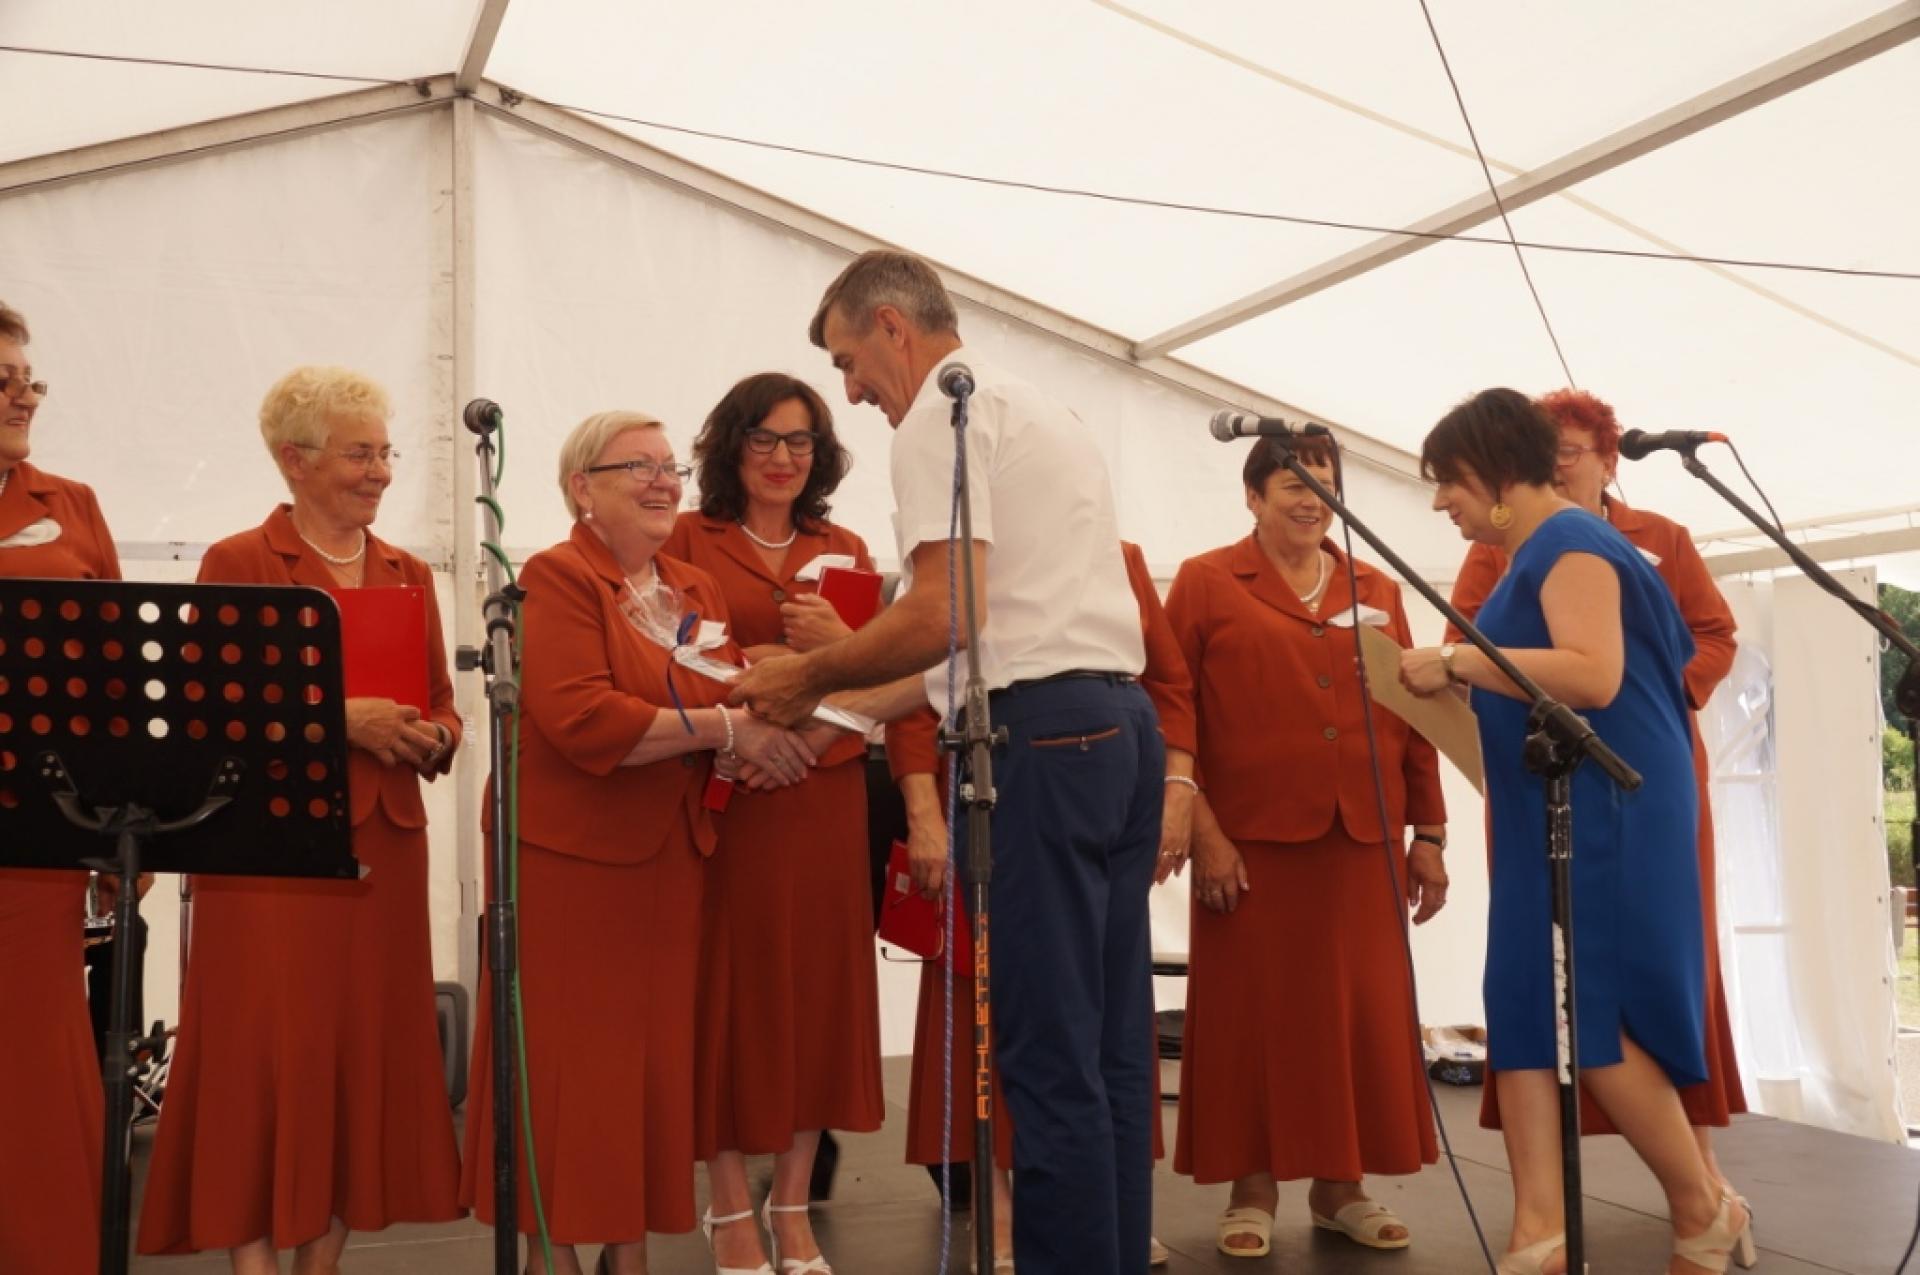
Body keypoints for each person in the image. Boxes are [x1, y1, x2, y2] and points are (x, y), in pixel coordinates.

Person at [732, 249, 1161, 1275]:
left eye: (848, 361)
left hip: (1041, 742)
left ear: (893, 325)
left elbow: (945, 614)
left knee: (1046, 1054)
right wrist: (827, 709)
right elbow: (981, 645)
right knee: (1109, 1050)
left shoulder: (942, 414)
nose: (851, 392)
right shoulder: (1042, 408)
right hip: (1114, 726)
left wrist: (807, 673)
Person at [1399, 388, 1752, 1274]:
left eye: (1449, 481)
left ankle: (1703, 1204)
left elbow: (1594, 674)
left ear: (1497, 475)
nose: (1440, 501)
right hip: (1545, 806)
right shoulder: (1532, 550)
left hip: (1604, 810)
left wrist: (1456, 658)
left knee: (1580, 1009)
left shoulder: (1571, 542)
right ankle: (1540, 1232)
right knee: (1522, 999)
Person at [459, 410, 816, 1275]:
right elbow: (583, 716)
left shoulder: (692, 586)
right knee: (563, 1071)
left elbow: (728, 695)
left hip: (668, 864)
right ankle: (550, 1255)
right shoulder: (556, 576)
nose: (663, 481)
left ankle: (629, 1256)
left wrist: (766, 723)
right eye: (639, 467)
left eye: (670, 468)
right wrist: (728, 730)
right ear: (582, 488)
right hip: (569, 865)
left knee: (643, 1075)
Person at [137, 366, 464, 1272]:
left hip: (384, 849)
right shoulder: (240, 561)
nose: (381, 471)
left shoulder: (406, 571)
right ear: (295, 460)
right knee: (257, 1059)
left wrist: (435, 734)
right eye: (360, 453)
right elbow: (206, 717)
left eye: (385, 453)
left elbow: (442, 700)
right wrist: (339, 721)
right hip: (265, 854)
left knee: (357, 1058)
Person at [1166, 435, 1447, 1257]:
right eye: (1290, 481)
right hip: (1248, 843)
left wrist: (1429, 832)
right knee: (1254, 1019)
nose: (1309, 496)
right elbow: (1171, 708)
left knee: (1353, 1019)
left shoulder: (1377, 586)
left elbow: (1417, 715)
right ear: (1252, 496)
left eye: (1323, 482)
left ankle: (1340, 1186)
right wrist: (1203, 829)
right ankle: (1250, 1187)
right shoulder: (1207, 580)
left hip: (1362, 839)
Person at [893, 540, 1194, 1269]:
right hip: (1069, 752)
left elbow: (1172, 682)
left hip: (1042, 755)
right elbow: (917, 701)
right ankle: (1066, 1223)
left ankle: (1084, 1234)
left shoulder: (983, 549)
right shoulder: (1066, 543)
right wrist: (923, 810)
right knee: (1092, 1033)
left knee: (1061, 1035)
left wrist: (820, 681)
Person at [661, 373, 883, 1273]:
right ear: (731, 446)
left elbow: (876, 679)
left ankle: (791, 1206)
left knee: (816, 1003)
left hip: (824, 796)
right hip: (731, 794)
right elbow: (674, 658)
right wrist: (763, 700)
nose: (784, 457)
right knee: (730, 1002)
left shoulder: (847, 547)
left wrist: (832, 657)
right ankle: (728, 1208)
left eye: (801, 441)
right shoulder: (686, 537)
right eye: (765, 438)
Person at [0, 298, 113, 1275]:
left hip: (37, 833)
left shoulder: (70, 503)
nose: (22, 396)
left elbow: (114, 680)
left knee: (37, 1058)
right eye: (1, 381)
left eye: (27, 378)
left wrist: (123, 826)